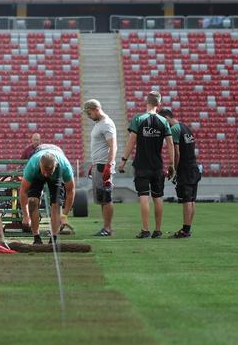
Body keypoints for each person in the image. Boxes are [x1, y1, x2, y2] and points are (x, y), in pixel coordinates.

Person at [118, 91, 175, 239]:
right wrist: (172, 164)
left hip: (141, 165)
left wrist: (123, 160)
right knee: (158, 197)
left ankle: (145, 230)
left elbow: (131, 141)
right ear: (159, 104)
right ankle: (158, 230)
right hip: (157, 166)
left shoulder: (138, 119)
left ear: (147, 102)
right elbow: (170, 144)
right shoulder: (163, 121)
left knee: (143, 196)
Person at [20, 147, 76, 245]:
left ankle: (53, 238)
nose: (46, 175)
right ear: (40, 165)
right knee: (32, 201)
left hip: (56, 164)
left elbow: (70, 191)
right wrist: (25, 215)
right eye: (44, 171)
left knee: (56, 204)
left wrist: (64, 215)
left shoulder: (64, 166)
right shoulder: (33, 165)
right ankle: (36, 237)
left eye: (49, 171)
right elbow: (23, 191)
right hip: (37, 171)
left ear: (55, 166)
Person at [160, 108, 201, 238]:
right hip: (194, 167)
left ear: (166, 118)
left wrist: (174, 168)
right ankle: (188, 228)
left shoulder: (175, 129)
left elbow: (176, 152)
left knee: (187, 200)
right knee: (192, 200)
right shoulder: (185, 127)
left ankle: (185, 230)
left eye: (163, 122)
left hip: (185, 169)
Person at [83, 99, 117, 237]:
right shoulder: (99, 124)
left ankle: (108, 228)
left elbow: (113, 146)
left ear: (96, 109)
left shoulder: (106, 124)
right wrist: (94, 164)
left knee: (106, 197)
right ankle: (105, 227)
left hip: (104, 165)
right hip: (99, 164)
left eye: (89, 113)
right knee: (102, 197)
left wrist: (108, 165)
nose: (88, 116)